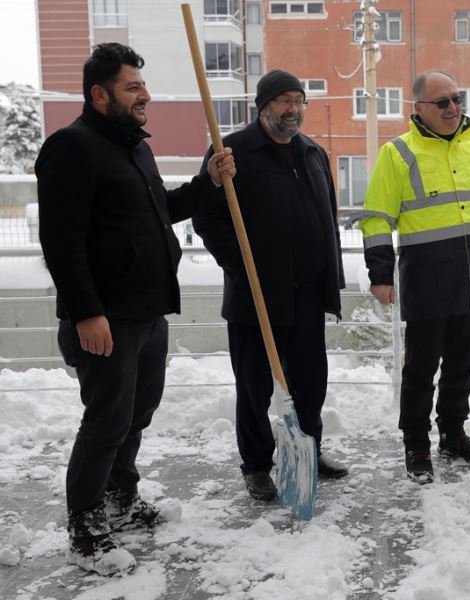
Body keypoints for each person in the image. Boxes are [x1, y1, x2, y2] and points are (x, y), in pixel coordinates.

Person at [36, 42, 234, 575]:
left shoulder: (133, 147)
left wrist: (207, 184)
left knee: (136, 414)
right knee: (106, 421)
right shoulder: (71, 148)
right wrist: (85, 313)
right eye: (132, 87)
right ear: (100, 95)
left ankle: (121, 497)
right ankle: (85, 524)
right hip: (106, 318)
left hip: (147, 311)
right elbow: (61, 240)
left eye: (142, 85)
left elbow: (158, 211)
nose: (145, 95)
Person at [192, 70, 348, 502]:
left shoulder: (313, 153)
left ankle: (307, 453)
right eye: (284, 101)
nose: (293, 109)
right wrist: (242, 268)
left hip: (307, 296)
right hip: (254, 298)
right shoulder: (232, 153)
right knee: (255, 386)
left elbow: (326, 220)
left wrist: (329, 279)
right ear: (262, 106)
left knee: (311, 384)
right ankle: (257, 465)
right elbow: (206, 217)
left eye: (300, 100)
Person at [360, 70, 470, 484]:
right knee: (421, 367)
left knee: (462, 365)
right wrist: (379, 273)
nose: (453, 108)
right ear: (419, 109)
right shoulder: (398, 153)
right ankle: (416, 443)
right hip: (427, 275)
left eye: (457, 99)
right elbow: (377, 216)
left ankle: (453, 434)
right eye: (442, 102)